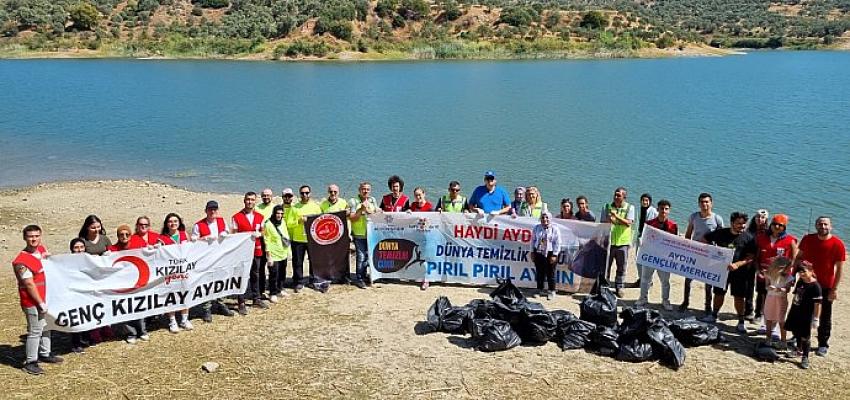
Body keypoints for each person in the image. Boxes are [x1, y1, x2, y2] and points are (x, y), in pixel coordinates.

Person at [13, 225, 63, 375]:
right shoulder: (21, 261)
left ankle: (45, 353)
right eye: (30, 236)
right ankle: (31, 361)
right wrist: (40, 303)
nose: (34, 239)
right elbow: (29, 284)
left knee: (46, 326)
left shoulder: (41, 250)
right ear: (24, 238)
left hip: (46, 296)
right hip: (33, 301)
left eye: (36, 236)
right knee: (35, 330)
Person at [794, 216, 845, 357]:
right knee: (801, 311)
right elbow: (798, 258)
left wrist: (834, 289)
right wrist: (794, 275)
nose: (823, 226)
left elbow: (840, 269)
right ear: (816, 225)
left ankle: (823, 343)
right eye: (820, 224)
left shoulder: (838, 244)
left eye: (825, 224)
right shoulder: (807, 239)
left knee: (824, 316)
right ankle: (798, 338)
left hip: (825, 285)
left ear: (831, 226)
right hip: (806, 282)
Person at [699, 212, 757, 334]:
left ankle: (741, 321)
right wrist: (712, 252)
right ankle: (713, 315)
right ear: (732, 223)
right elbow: (704, 239)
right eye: (739, 223)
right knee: (719, 294)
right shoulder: (721, 233)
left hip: (740, 273)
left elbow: (751, 257)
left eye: (743, 223)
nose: (742, 226)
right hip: (722, 271)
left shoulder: (749, 238)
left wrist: (737, 264)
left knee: (739, 297)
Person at [192, 201, 236, 322]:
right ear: (206, 211)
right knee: (207, 283)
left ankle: (221, 304)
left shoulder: (222, 221)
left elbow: (228, 232)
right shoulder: (198, 225)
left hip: (221, 257)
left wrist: (225, 233)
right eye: (210, 210)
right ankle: (206, 308)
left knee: (221, 281)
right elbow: (193, 242)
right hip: (206, 259)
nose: (212, 212)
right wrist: (204, 239)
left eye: (215, 209)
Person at [680, 193, 725, 312]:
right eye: (702, 202)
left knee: (708, 282)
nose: (704, 204)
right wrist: (685, 247)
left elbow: (721, 238)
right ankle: (685, 302)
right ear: (698, 204)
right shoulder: (694, 217)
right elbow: (688, 233)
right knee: (688, 279)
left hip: (709, 254)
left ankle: (707, 306)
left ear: (711, 203)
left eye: (707, 202)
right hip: (694, 251)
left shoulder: (717, 219)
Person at [754, 214, 797, 336]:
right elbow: (757, 256)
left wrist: (788, 272)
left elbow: (794, 259)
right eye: (775, 224)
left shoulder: (790, 240)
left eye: (780, 225)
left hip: (781, 277)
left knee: (779, 302)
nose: (777, 227)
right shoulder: (762, 237)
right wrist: (757, 270)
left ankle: (776, 329)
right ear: (771, 225)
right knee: (764, 298)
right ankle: (764, 323)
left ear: (784, 227)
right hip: (764, 274)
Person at [107, 224, 151, 343]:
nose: (124, 237)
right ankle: (130, 333)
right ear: (118, 236)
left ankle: (142, 330)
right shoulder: (113, 249)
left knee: (139, 307)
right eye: (121, 235)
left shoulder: (138, 245)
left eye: (127, 234)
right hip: (121, 285)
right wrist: (105, 257)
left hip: (137, 282)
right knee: (124, 309)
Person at [636, 199, 677, 310]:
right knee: (645, 279)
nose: (663, 211)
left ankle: (665, 300)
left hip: (664, 258)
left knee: (665, 281)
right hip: (650, 256)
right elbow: (643, 237)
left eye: (666, 209)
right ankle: (643, 298)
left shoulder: (673, 225)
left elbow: (676, 243)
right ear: (657, 209)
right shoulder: (649, 224)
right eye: (662, 208)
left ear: (669, 210)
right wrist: (640, 241)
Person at [231, 191, 268, 313]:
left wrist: (260, 234)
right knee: (242, 275)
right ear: (244, 200)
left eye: (252, 200)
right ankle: (241, 301)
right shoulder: (236, 217)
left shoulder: (260, 217)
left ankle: (256, 298)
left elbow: (264, 232)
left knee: (255, 274)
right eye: (248, 199)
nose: (250, 202)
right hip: (242, 251)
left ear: (255, 201)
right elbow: (234, 235)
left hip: (256, 249)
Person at [784, 262, 823, 369]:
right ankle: (798, 350)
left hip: (807, 314)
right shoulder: (800, 281)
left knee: (805, 336)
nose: (801, 274)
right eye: (800, 272)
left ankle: (805, 357)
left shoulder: (816, 286)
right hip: (796, 310)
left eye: (804, 271)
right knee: (795, 331)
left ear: (811, 271)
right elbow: (796, 295)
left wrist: (816, 319)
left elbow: (818, 304)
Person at [160, 213, 193, 333]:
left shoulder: (184, 234)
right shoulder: (162, 238)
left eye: (175, 221)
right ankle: (172, 320)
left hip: (184, 270)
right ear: (166, 224)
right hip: (171, 272)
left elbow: (192, 250)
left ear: (179, 222)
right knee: (171, 295)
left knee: (185, 292)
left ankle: (184, 319)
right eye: (170, 221)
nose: (173, 223)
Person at [600, 187, 635, 296]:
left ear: (624, 197)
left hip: (623, 243)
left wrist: (616, 217)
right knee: (606, 266)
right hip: (609, 242)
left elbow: (629, 222)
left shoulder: (630, 208)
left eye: (619, 195)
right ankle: (604, 286)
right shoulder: (607, 206)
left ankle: (619, 287)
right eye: (615, 195)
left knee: (621, 267)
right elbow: (602, 222)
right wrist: (609, 220)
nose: (616, 197)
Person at [290, 185, 322, 292]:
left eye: (307, 193)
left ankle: (313, 280)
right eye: (302, 193)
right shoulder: (294, 207)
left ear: (310, 193)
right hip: (298, 239)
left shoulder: (316, 207)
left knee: (314, 261)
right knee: (298, 262)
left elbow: (320, 222)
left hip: (312, 239)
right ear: (299, 194)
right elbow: (289, 224)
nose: (305, 195)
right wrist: (299, 221)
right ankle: (298, 282)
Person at [348, 182, 378, 289]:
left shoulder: (372, 200)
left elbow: (376, 214)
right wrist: (361, 210)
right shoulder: (353, 201)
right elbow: (351, 217)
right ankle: (359, 278)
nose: (365, 191)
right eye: (363, 189)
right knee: (360, 257)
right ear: (359, 190)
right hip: (359, 234)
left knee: (368, 256)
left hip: (371, 234)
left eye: (368, 189)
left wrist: (376, 211)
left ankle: (365, 275)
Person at [763, 257, 794, 349]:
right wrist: (769, 288)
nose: (790, 270)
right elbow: (766, 286)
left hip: (781, 299)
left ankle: (783, 341)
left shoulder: (789, 277)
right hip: (770, 298)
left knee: (781, 320)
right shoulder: (769, 274)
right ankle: (768, 339)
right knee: (769, 318)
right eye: (788, 268)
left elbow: (787, 289)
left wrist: (781, 289)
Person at [745, 209, 770, 320]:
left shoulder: (769, 233)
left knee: (762, 290)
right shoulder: (749, 231)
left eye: (762, 217)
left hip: (763, 263)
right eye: (758, 217)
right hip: (750, 262)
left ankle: (759, 313)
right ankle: (748, 310)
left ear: (766, 220)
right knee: (749, 287)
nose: (760, 219)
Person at [531, 212, 562, 300]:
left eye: (547, 218)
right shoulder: (537, 228)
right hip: (539, 252)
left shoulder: (554, 229)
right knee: (540, 272)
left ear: (550, 219)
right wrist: (532, 252)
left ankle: (551, 291)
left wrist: (555, 255)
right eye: (543, 218)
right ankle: (539, 289)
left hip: (551, 253)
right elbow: (533, 240)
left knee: (550, 272)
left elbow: (558, 243)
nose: (545, 219)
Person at [263, 205, 291, 303]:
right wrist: (269, 256)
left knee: (282, 273)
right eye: (277, 213)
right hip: (273, 254)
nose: (279, 215)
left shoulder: (283, 222)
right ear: (274, 213)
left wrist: (288, 251)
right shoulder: (268, 224)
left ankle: (280, 289)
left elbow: (285, 234)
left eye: (281, 214)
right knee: (273, 274)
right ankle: (273, 293)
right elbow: (266, 240)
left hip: (283, 252)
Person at [632, 193, 659, 288]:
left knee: (646, 261)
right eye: (643, 200)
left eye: (646, 200)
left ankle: (649, 281)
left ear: (650, 202)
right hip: (640, 237)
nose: (644, 202)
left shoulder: (654, 211)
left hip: (649, 240)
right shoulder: (641, 210)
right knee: (638, 259)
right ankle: (641, 279)